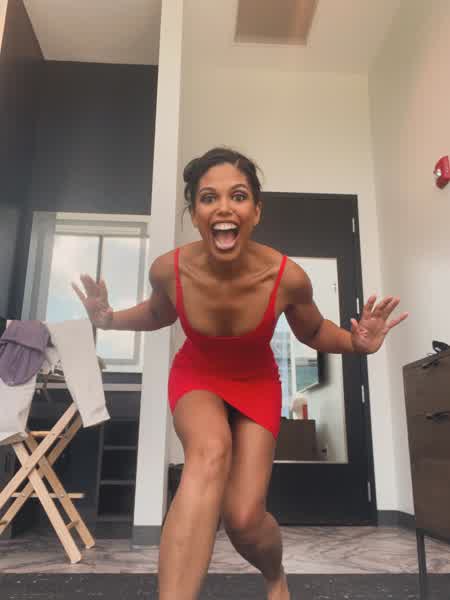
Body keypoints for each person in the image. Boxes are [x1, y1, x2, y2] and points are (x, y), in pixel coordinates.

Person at [73, 147, 408, 600]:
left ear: (256, 211)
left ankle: (275, 576)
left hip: (256, 381)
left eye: (238, 196)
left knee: (245, 520)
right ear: (195, 214)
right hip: (198, 373)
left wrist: (356, 342)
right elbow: (157, 313)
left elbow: (312, 331)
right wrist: (109, 319)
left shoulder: (287, 277)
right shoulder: (168, 270)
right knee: (209, 451)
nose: (224, 208)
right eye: (208, 198)